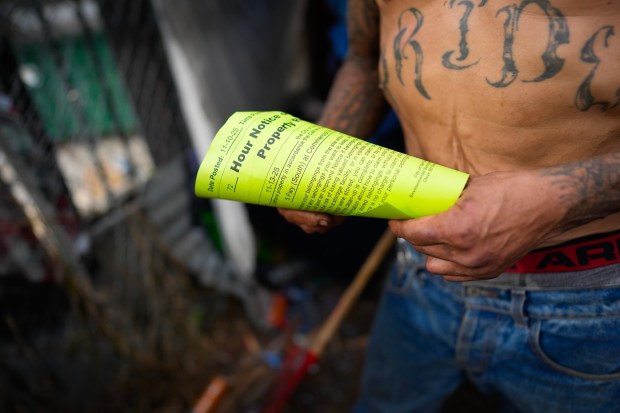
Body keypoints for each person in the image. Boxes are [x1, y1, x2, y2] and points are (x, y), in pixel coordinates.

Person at [278, 0, 620, 412]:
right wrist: (326, 151)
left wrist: (557, 198)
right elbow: (366, 57)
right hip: (420, 273)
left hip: (590, 302)